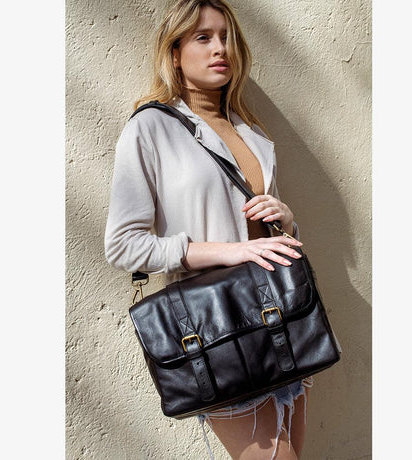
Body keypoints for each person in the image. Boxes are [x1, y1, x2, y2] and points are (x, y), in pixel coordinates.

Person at [105, 1, 313, 458]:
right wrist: (227, 251)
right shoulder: (150, 128)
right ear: (175, 53)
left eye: (226, 37)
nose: (220, 49)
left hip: (280, 319)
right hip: (219, 332)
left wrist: (285, 218)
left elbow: (266, 235)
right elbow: (123, 246)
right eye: (203, 38)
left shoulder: (249, 130)